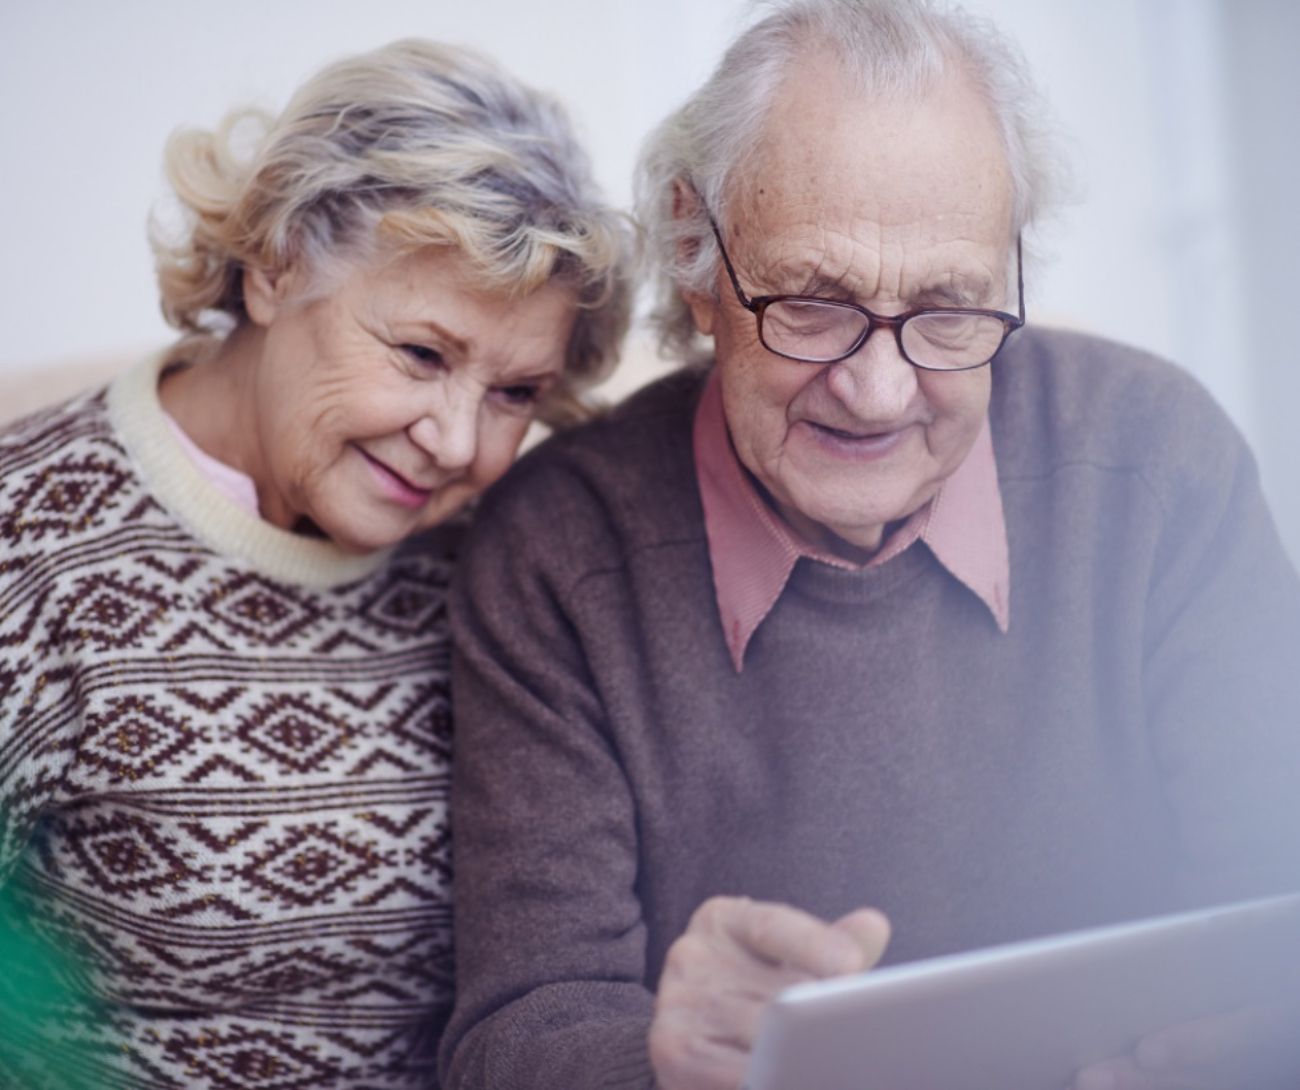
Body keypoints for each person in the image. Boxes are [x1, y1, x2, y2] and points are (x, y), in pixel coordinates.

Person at [438, 2, 1300, 1088]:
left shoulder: (1158, 465)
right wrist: (656, 1061)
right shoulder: (558, 547)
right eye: (812, 302)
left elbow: (1277, 907)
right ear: (698, 256)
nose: (877, 391)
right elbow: (512, 1035)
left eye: (948, 309)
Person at [0, 38, 630, 1089]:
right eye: (422, 355)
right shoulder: (31, 538)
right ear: (272, 267)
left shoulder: (502, 561)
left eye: (515, 392)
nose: (456, 442)